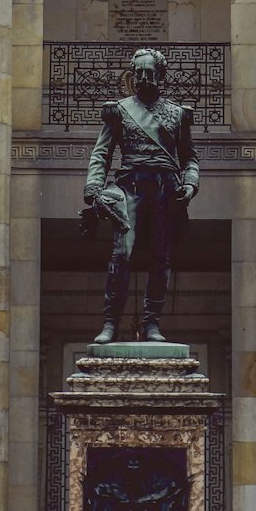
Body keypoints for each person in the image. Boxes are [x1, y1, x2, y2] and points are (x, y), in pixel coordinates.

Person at [82, 46, 199, 343]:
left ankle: (152, 324)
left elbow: (189, 158)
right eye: (139, 72)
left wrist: (190, 183)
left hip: (166, 190)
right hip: (130, 186)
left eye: (150, 72)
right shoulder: (119, 110)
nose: (144, 78)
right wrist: (94, 186)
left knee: (161, 258)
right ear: (133, 75)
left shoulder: (177, 114)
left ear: (160, 75)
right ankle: (110, 322)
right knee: (122, 254)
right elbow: (101, 154)